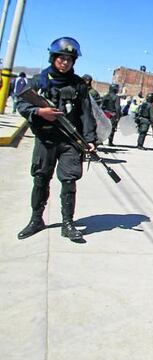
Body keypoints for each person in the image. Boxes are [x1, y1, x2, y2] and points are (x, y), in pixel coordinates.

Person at [16, 37, 97, 242]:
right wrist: (40, 111)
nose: (65, 62)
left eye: (69, 59)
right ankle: (36, 219)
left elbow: (86, 114)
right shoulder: (39, 82)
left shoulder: (79, 85)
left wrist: (90, 139)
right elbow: (22, 105)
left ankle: (68, 223)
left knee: (69, 181)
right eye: (61, 58)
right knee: (41, 179)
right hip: (46, 140)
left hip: (70, 141)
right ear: (53, 58)